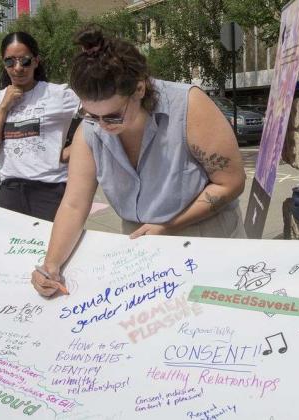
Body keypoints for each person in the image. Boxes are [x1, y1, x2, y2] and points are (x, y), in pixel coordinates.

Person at [31, 27, 247, 297]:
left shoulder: (189, 106)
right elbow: (74, 204)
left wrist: (169, 226)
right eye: (90, 115)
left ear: (139, 89)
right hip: (141, 247)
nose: (101, 126)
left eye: (112, 116)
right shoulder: (91, 129)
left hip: (207, 238)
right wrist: (51, 265)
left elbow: (231, 183)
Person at [0, 32, 79, 221]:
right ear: (3, 62)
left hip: (51, 191)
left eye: (24, 61)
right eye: (10, 62)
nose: (17, 68)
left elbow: (100, 118)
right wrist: (4, 107)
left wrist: (74, 149)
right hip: (11, 191)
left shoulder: (59, 94)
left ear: (36, 61)